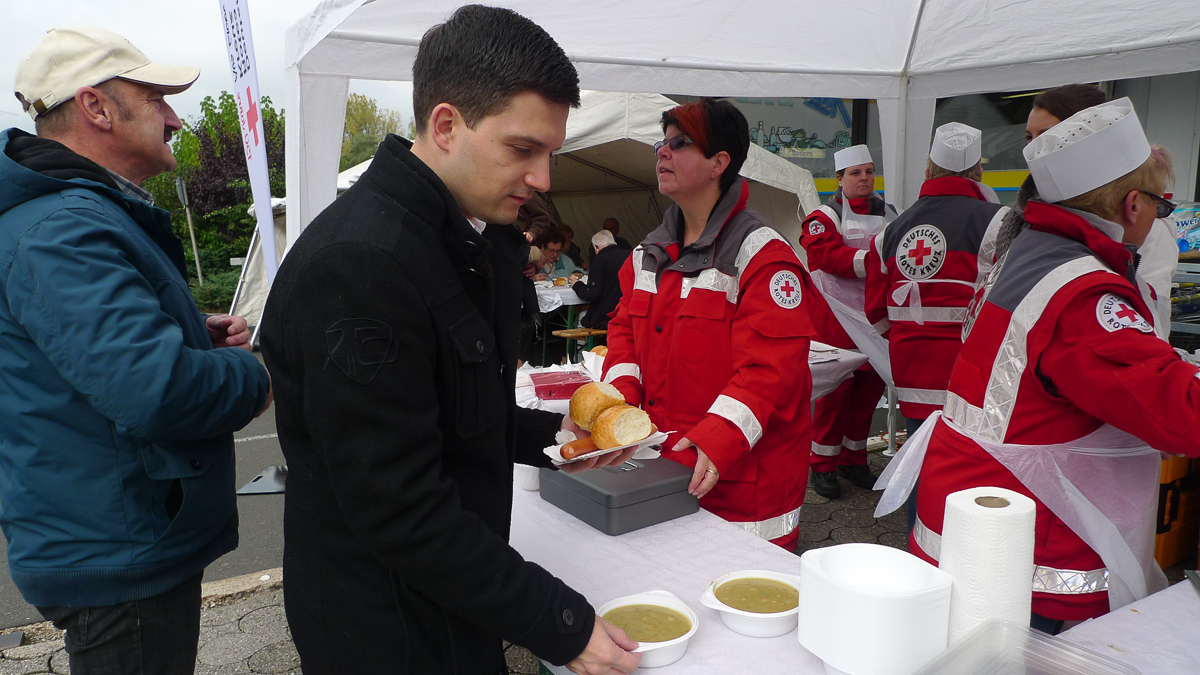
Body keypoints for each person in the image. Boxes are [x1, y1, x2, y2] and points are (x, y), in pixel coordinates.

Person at [259, 6, 641, 674]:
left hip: (447, 600)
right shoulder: (360, 262)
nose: (544, 179)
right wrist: (559, 621)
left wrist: (563, 443)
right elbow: (401, 505)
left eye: (549, 152)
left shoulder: (460, 242)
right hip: (385, 629)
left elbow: (463, 416)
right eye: (522, 149)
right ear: (445, 125)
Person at [0, 26, 272, 673]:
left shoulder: (70, 217)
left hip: (114, 535)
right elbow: (154, 389)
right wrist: (253, 376)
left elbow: (90, 358)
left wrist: (181, 328)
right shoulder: (64, 228)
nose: (175, 117)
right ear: (95, 107)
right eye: (155, 98)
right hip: (117, 550)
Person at [897, 98, 1200, 634]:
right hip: (1036, 551)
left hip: (971, 509)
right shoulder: (1084, 292)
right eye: (1162, 205)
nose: (1159, 215)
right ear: (1133, 206)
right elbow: (1182, 412)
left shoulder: (1030, 248)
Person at [603, 98, 813, 549]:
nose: (662, 151)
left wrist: (716, 441)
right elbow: (622, 335)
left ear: (720, 162)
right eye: (662, 142)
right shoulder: (648, 254)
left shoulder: (762, 256)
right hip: (662, 468)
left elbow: (772, 372)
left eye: (679, 143)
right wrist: (619, 405)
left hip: (740, 487)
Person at [864, 123, 1008, 530]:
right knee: (970, 478)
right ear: (979, 172)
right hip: (972, 380)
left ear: (928, 170)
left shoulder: (891, 231)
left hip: (912, 377)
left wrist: (911, 338)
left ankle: (918, 552)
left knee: (919, 469)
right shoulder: (1000, 223)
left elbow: (876, 312)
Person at [1016, 85, 1175, 334]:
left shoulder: (1147, 227)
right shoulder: (1028, 217)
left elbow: (1147, 315)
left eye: (1048, 135)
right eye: (1029, 137)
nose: (1035, 150)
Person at [799, 145, 898, 499]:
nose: (865, 179)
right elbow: (825, 254)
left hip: (874, 319)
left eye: (869, 172)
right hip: (836, 320)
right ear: (839, 179)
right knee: (834, 397)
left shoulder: (890, 213)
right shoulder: (823, 216)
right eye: (856, 173)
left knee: (867, 396)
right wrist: (873, 262)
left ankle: (853, 460)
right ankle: (822, 465)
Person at [572, 229, 631, 334]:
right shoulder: (631, 256)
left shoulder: (599, 260)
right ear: (615, 243)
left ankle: (584, 350)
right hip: (629, 313)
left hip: (606, 315)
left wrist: (577, 285)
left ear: (596, 248)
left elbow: (593, 294)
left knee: (580, 319)